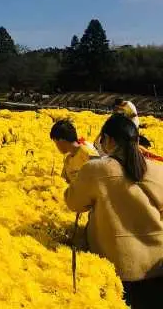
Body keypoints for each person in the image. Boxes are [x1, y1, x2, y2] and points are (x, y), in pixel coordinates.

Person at [65, 114, 163, 309]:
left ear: (108, 140)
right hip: (158, 267)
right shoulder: (158, 169)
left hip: (119, 271)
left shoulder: (96, 169)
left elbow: (73, 202)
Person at [49, 118, 99, 183]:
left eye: (56, 143)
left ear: (62, 141)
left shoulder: (87, 151)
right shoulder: (68, 159)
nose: (56, 147)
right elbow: (63, 182)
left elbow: (100, 175)